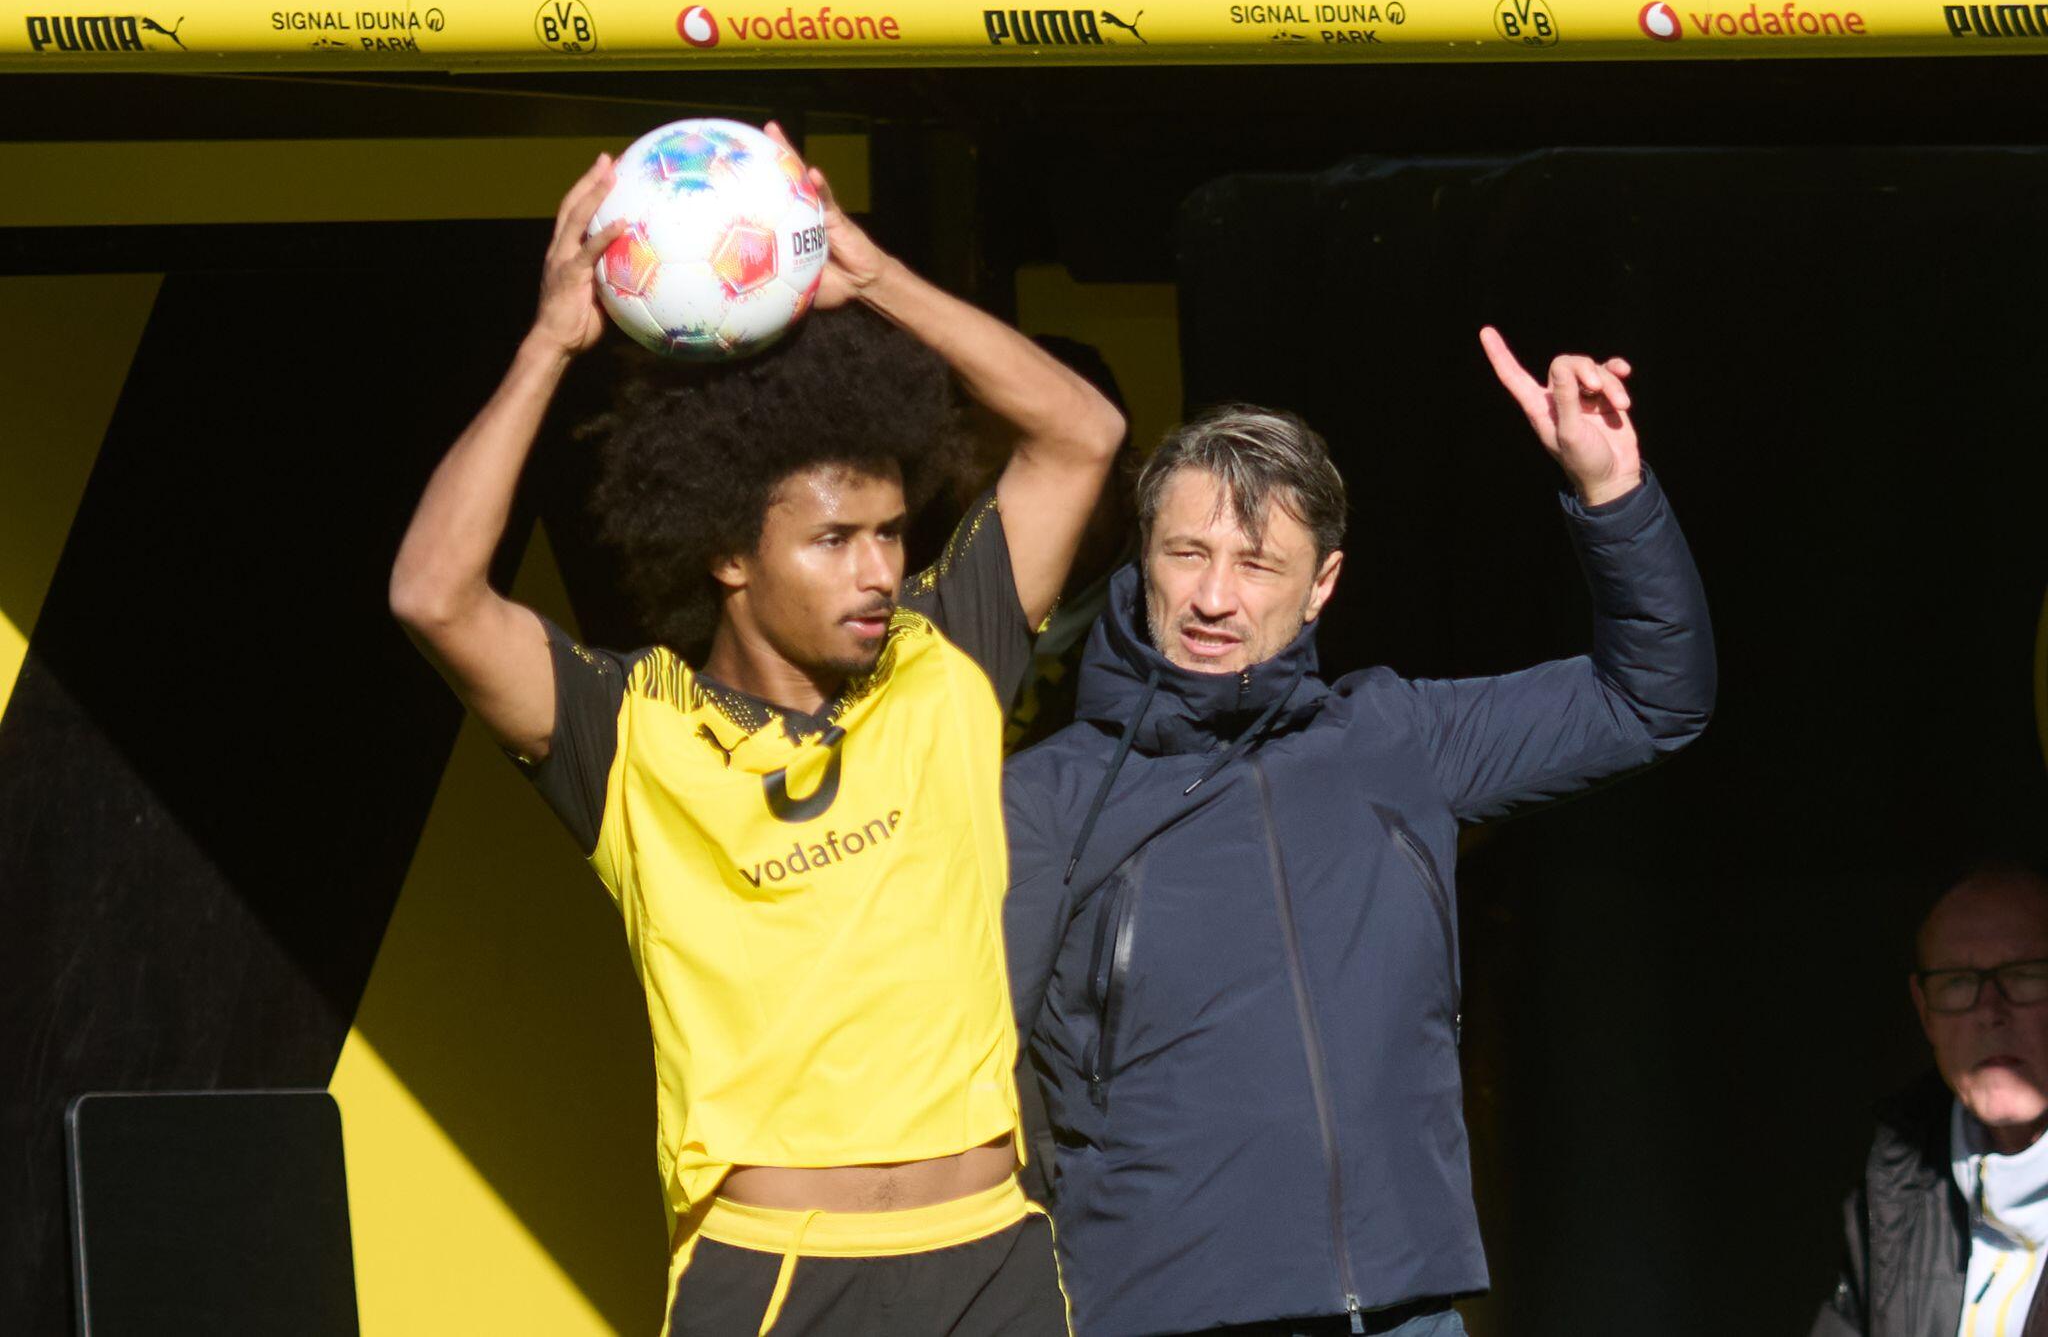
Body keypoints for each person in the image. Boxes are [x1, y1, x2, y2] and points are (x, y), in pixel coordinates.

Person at [389, 131, 1124, 1336]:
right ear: (730, 554)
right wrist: (549, 345)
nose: (877, 569)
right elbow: (432, 595)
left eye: (889, 533)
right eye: (833, 540)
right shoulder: (626, 731)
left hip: (991, 1256)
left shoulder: (944, 660)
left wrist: (875, 279)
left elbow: (1079, 432)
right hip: (779, 1273)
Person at [1002, 329, 1716, 1337]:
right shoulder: (1045, 799)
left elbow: (1650, 699)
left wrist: (1610, 490)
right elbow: (961, 1086)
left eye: (1258, 564)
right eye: (1187, 553)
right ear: (1143, 557)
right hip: (1159, 1314)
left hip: (1399, 1312)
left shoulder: (1393, 740)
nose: (1213, 597)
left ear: (1321, 585)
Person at [1813, 862, 2048, 1337]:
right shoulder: (1896, 1186)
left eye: (2025, 975)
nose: (1990, 1011)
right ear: (1925, 1012)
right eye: (1958, 982)